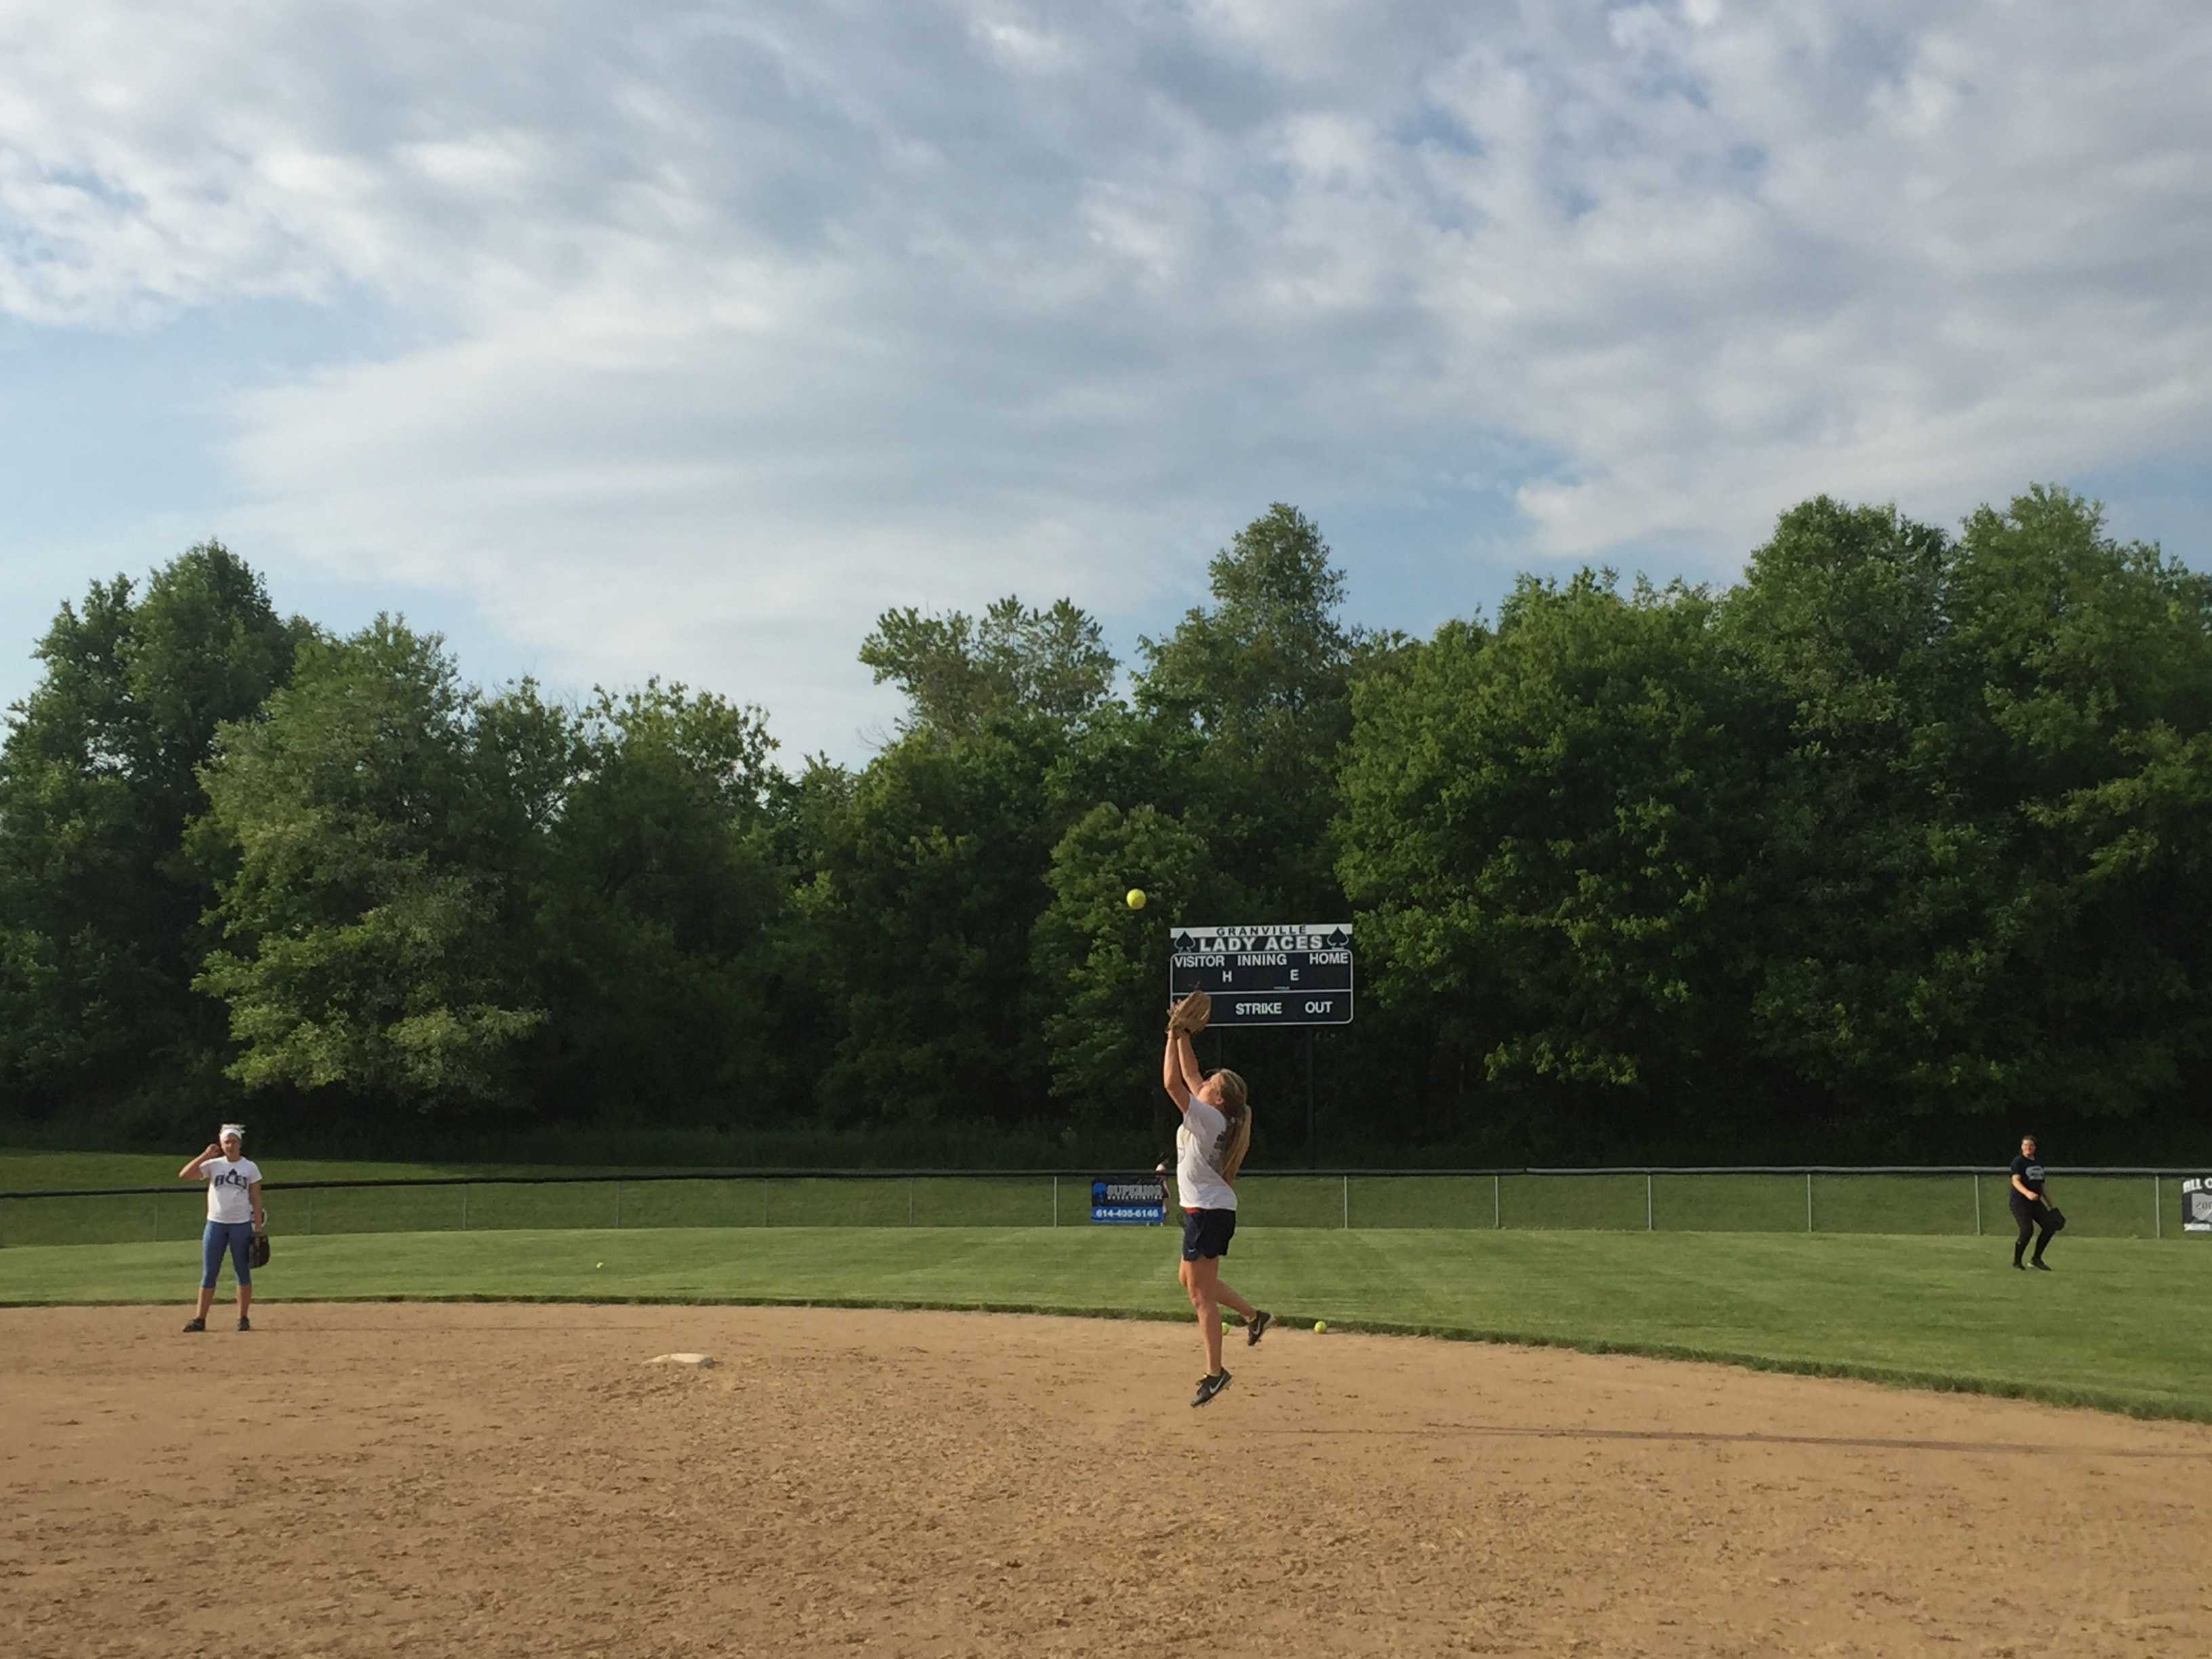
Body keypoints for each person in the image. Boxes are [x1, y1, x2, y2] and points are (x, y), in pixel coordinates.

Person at [1162, 1001, 1271, 1406]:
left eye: (1212, 1081)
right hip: (1206, 1210)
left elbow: (1173, 1083)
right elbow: (1189, 1074)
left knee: (1200, 1297)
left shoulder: (1210, 1118)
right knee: (1189, 1281)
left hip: (1207, 1212)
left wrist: (1173, 1036)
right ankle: (1253, 1316)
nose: (1203, 1080)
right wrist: (1181, 1034)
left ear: (1218, 1100)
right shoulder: (1214, 1113)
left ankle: (1215, 1373)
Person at [180, 1124, 263, 1330]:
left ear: (240, 1144)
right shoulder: (213, 1165)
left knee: (242, 1271)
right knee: (209, 1272)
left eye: (234, 1141)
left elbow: (256, 1198)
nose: (231, 1145)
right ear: (221, 1144)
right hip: (215, 1223)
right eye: (227, 1141)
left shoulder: (249, 1167)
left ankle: (243, 1318)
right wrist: (205, 1154)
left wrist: (258, 1228)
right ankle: (200, 1318)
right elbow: (185, 1174)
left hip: (241, 1224)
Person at [2008, 1133, 2057, 1271]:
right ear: (2021, 1147)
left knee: (2050, 1226)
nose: (2028, 1148)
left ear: (2035, 1148)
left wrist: (2051, 1205)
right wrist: (2027, 1193)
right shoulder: (2018, 1162)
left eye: (2031, 1145)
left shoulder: (2038, 1164)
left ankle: (2036, 1259)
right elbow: (2015, 1181)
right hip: (2020, 1202)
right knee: (2027, 1231)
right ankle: (2017, 1262)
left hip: (2035, 1202)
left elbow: (2042, 1186)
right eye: (2025, 1145)